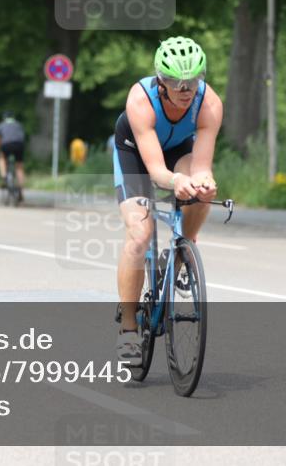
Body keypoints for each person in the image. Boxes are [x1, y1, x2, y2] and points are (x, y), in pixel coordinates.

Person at [112, 36, 223, 364]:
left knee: (201, 193)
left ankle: (181, 253)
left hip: (179, 149)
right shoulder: (140, 99)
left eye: (193, 81)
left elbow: (201, 165)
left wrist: (202, 181)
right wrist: (176, 181)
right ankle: (129, 326)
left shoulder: (210, 104)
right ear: (161, 80)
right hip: (136, 151)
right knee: (140, 234)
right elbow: (158, 171)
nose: (185, 88)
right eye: (176, 82)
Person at [0, 111, 26, 200]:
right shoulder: (18, 124)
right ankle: (21, 190)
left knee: (2, 158)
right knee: (19, 167)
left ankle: (4, 177)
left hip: (6, 145)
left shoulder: (1, 125)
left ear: (4, 118)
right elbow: (22, 137)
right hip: (19, 145)